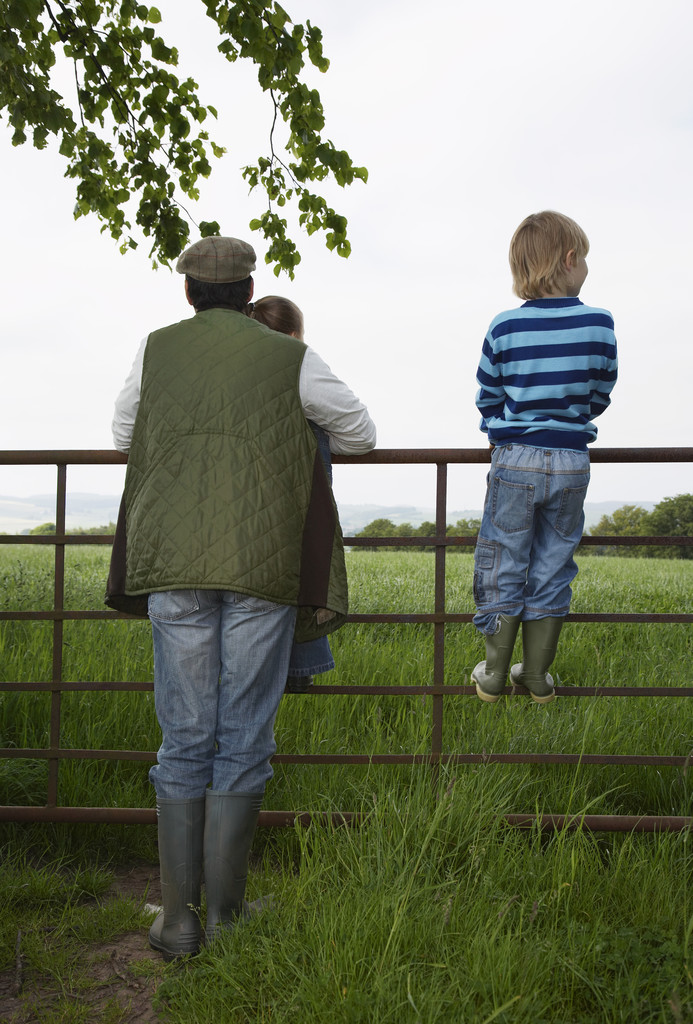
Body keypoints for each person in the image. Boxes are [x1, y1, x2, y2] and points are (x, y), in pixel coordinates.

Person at [109, 236, 376, 958]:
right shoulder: (288, 356)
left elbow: (122, 433)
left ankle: (180, 923)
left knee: (185, 733)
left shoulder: (155, 350)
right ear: (247, 287)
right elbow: (359, 434)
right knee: (243, 733)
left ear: (189, 292)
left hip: (173, 560)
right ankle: (226, 917)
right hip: (262, 565)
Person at [471, 211, 618, 704]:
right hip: (573, 460)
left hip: (515, 458)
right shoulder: (600, 322)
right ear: (570, 259)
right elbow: (601, 391)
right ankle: (535, 675)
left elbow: (487, 396)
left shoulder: (504, 326)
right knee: (554, 563)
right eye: (586, 259)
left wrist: (498, 430)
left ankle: (492, 673)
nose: (588, 269)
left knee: (504, 559)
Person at [249, 295, 335, 694]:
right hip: (286, 525)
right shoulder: (296, 360)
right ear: (296, 334)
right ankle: (295, 666)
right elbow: (362, 433)